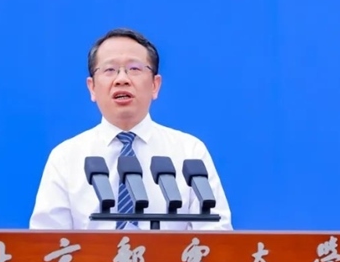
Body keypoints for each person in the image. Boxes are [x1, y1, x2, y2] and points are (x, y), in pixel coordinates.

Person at [28, 27, 233, 231]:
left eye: (134, 69)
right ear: (92, 87)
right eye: (109, 70)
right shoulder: (66, 158)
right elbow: (46, 242)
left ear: (155, 85)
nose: (122, 79)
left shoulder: (190, 152)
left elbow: (216, 235)